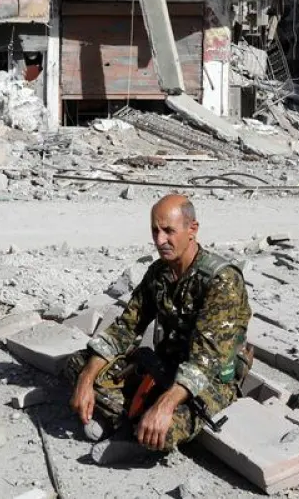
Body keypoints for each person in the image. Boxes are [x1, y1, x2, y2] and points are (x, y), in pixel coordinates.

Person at [63, 193, 252, 457]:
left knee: (166, 430)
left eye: (169, 231)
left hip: (210, 379)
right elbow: (125, 328)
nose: (160, 240)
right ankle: (130, 419)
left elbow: (204, 363)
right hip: (166, 366)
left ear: (192, 230)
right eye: (155, 230)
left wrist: (164, 405)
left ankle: (124, 421)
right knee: (78, 364)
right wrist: (86, 379)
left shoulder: (221, 282)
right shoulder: (159, 272)